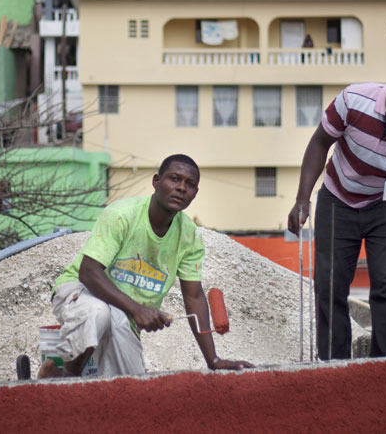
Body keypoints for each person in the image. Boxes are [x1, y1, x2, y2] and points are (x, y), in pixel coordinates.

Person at [287, 57, 386, 360]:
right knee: (329, 287)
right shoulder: (354, 100)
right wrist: (302, 198)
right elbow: (320, 143)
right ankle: (334, 366)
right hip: (337, 197)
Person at [39, 154, 252, 378]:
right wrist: (138, 309)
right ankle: (66, 373)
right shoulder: (122, 215)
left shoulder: (189, 236)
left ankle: (76, 378)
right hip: (80, 291)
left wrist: (213, 360)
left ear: (195, 194)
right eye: (174, 179)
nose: (181, 188)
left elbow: (194, 297)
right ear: (156, 181)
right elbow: (88, 272)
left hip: (123, 312)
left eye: (189, 184)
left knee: (131, 386)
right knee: (98, 312)